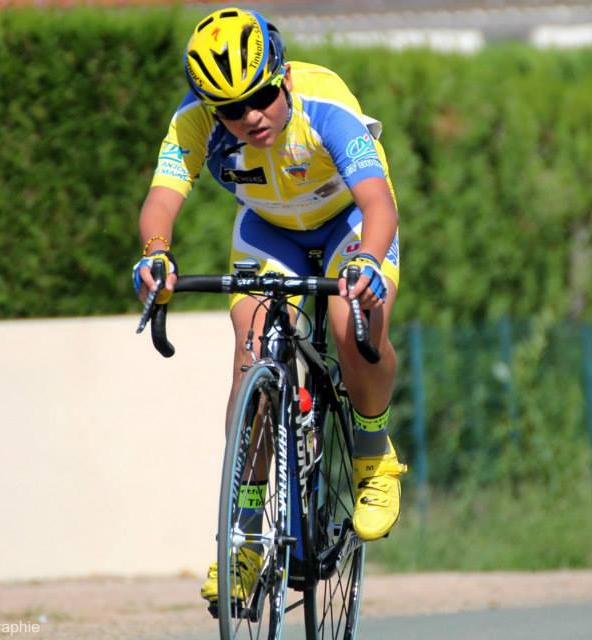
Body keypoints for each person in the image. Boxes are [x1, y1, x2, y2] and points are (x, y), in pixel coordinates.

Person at [132, 7, 406, 608]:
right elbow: (161, 200)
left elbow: (379, 203)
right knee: (251, 351)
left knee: (350, 322)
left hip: (349, 224)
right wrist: (156, 254)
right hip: (269, 231)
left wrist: (366, 263)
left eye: (260, 97)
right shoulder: (194, 121)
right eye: (232, 110)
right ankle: (246, 538)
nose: (251, 116)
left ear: (282, 77)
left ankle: (373, 456)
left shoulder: (324, 105)